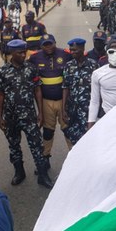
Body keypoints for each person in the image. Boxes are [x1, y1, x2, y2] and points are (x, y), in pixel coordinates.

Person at [0, 39, 53, 188]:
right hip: (10, 116)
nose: (23, 55)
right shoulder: (3, 71)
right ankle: (19, 172)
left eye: (24, 52)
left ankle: (42, 175)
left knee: (36, 145)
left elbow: (37, 90)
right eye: (19, 53)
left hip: (29, 115)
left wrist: (40, 112)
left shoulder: (31, 69)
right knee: (14, 145)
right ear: (12, 53)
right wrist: (0, 117)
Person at [29, 34, 71, 162]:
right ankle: (45, 157)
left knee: (68, 129)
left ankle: (76, 156)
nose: (48, 47)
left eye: (50, 44)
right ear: (41, 46)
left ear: (55, 43)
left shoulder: (65, 54)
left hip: (64, 101)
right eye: (45, 45)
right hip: (46, 102)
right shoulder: (35, 57)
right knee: (48, 131)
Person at [62, 38, 98, 146]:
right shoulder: (68, 66)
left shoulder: (93, 65)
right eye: (71, 50)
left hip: (88, 110)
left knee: (90, 139)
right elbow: (65, 87)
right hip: (73, 110)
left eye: (75, 50)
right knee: (74, 138)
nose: (72, 52)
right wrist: (63, 108)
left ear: (82, 49)